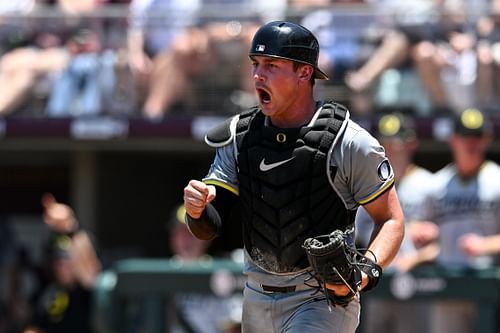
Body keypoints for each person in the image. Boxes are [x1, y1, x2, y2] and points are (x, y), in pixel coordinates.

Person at [183, 21, 404, 333]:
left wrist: (364, 271)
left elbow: (391, 220)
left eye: (272, 65)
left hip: (319, 299)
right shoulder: (239, 136)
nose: (259, 75)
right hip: (256, 295)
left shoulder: (349, 141)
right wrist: (197, 211)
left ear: (304, 73)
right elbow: (209, 227)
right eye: (256, 64)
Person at [411, 107, 500, 333]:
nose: (471, 143)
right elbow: (416, 225)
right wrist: (422, 231)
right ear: (453, 139)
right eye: (465, 137)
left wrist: (486, 245)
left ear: (486, 139)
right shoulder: (438, 183)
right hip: (446, 282)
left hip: (489, 284)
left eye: (477, 137)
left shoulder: (496, 180)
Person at [355, 110, 434, 333]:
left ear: (411, 144)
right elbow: (359, 239)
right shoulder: (368, 188)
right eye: (385, 144)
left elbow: (445, 243)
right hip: (377, 284)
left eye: (396, 143)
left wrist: (418, 256)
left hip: (420, 284)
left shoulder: (430, 184)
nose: (390, 150)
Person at [22, 193, 101, 333]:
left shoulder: (90, 292)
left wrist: (70, 226)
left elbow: (89, 265)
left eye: (67, 261)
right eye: (58, 261)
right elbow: (34, 326)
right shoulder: (48, 293)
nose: (62, 266)